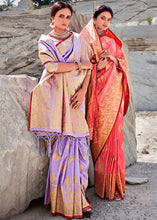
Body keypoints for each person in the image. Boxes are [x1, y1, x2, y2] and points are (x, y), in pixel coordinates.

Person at [29, 1, 93, 218]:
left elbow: (90, 67)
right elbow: (52, 67)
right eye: (61, 16)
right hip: (55, 101)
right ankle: (64, 200)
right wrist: (77, 66)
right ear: (52, 18)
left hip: (75, 100)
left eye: (68, 17)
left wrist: (84, 91)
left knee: (79, 148)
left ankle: (79, 197)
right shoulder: (45, 42)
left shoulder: (79, 40)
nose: (65, 21)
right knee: (60, 150)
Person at [71, 5, 129, 201]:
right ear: (94, 19)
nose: (105, 22)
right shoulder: (85, 40)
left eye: (109, 20)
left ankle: (115, 187)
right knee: (100, 140)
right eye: (102, 18)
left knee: (115, 140)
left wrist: (113, 58)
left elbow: (122, 65)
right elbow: (80, 67)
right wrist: (98, 66)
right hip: (97, 97)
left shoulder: (113, 42)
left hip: (115, 96)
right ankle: (104, 187)